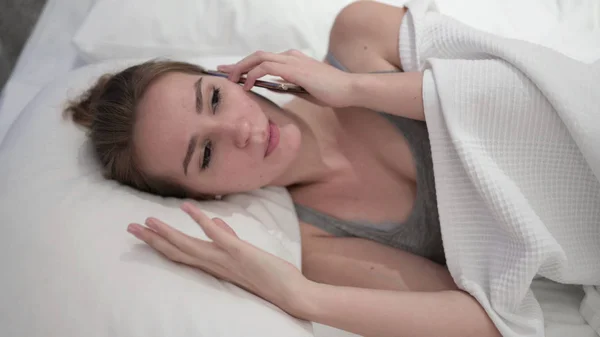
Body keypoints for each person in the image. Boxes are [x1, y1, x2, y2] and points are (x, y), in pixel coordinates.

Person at [65, 2, 501, 337]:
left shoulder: (358, 38)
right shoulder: (319, 245)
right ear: (206, 195)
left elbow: (513, 91)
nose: (240, 130)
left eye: (214, 99)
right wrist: (299, 295)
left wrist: (355, 88)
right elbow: (487, 322)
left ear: (230, 75)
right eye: (206, 155)